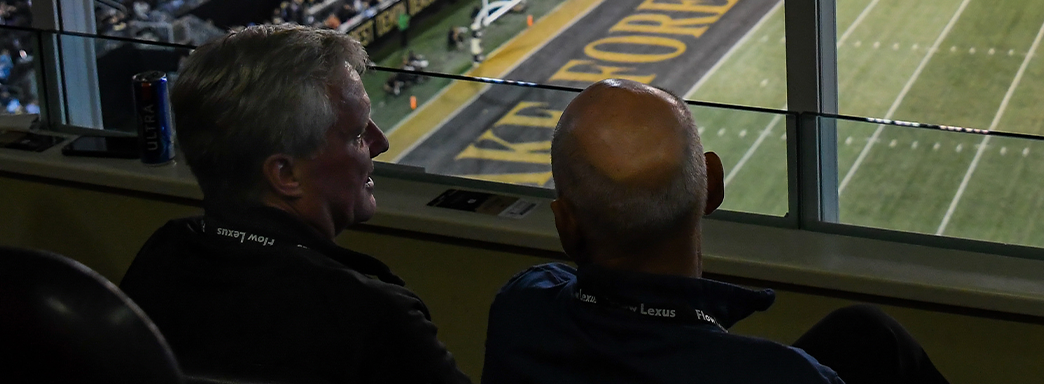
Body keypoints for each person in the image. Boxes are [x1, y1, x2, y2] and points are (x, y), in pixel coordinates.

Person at [484, 80, 948, 384]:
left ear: (565, 225)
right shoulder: (788, 378)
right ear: (713, 186)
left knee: (865, 334)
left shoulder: (518, 308)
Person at [120, 25, 469, 384]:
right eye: (357, 134)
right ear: (286, 174)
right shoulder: (373, 314)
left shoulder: (163, 253)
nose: (381, 142)